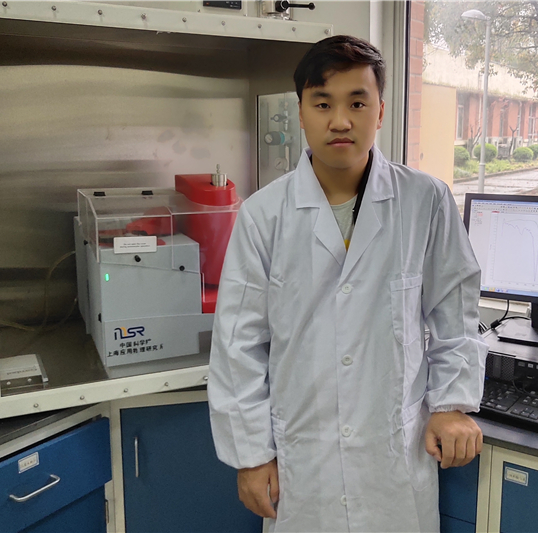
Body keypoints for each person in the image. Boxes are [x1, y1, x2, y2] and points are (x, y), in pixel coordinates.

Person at [208, 35, 488, 532]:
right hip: (303, 467)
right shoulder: (263, 215)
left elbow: (456, 314)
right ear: (300, 112)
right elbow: (238, 346)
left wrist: (451, 405)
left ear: (380, 111)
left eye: (357, 103)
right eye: (323, 104)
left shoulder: (425, 201)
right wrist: (251, 455)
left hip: (392, 461)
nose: (340, 120)